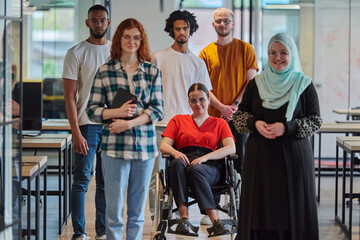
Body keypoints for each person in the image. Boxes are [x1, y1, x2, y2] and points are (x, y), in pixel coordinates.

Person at [233, 33, 322, 240]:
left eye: (283, 52)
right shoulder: (257, 84)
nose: (277, 57)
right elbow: (240, 116)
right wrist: (253, 123)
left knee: (292, 209)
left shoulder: (304, 85)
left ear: (293, 54)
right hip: (260, 159)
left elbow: (315, 121)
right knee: (260, 208)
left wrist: (287, 128)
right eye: (273, 52)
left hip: (293, 158)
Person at [87, 18, 164, 240]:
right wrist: (116, 113)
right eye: (127, 36)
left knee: (137, 213)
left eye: (136, 37)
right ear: (119, 38)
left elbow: (158, 110)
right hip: (113, 148)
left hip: (145, 149)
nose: (132, 41)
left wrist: (129, 123)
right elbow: (92, 110)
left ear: (142, 41)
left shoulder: (152, 72)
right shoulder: (105, 71)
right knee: (114, 212)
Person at [149, 10, 214, 220]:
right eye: (177, 28)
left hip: (187, 128)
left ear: (191, 30)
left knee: (187, 171)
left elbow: (205, 97)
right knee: (154, 176)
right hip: (161, 124)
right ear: (172, 30)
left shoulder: (198, 63)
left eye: (185, 28)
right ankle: (156, 218)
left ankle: (189, 213)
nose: (181, 32)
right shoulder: (158, 58)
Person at [160, 83, 236, 236]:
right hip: (184, 162)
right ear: (188, 102)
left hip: (211, 167)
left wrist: (204, 158)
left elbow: (231, 148)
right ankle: (184, 219)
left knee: (195, 169)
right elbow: (164, 145)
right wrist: (175, 153)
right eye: (193, 100)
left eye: (202, 99)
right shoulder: (178, 120)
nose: (197, 104)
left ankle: (215, 221)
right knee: (176, 164)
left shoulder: (219, 123)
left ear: (208, 100)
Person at [62, 4, 110, 240]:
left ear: (108, 23)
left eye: (102, 20)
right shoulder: (76, 52)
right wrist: (76, 133)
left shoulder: (117, 52)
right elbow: (69, 96)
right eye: (94, 20)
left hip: (111, 126)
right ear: (87, 23)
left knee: (104, 182)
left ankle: (102, 232)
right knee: (82, 179)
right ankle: (79, 233)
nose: (98, 24)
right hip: (86, 124)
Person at [199, 7, 259, 173]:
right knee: (213, 164)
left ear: (233, 23)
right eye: (218, 21)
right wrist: (222, 108)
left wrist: (235, 105)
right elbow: (203, 87)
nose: (222, 24)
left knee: (240, 164)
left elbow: (251, 82)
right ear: (213, 24)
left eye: (226, 20)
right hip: (213, 117)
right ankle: (214, 200)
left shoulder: (246, 49)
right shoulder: (205, 53)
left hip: (239, 116)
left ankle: (241, 200)